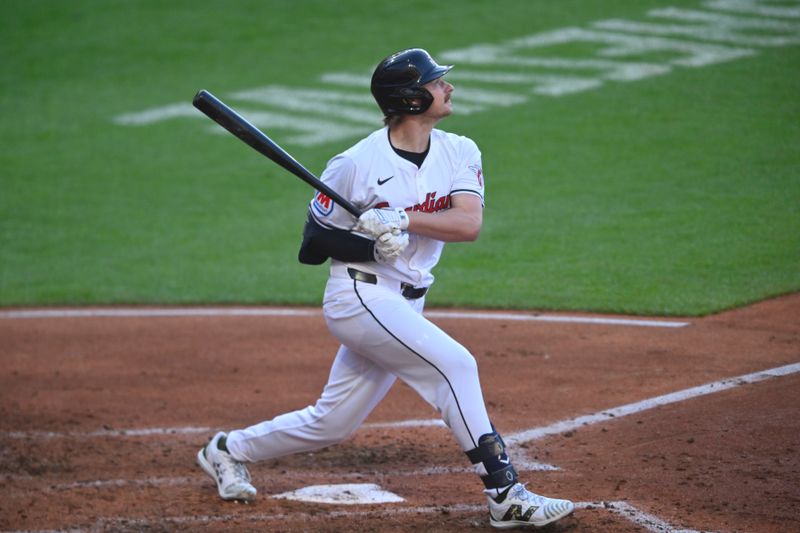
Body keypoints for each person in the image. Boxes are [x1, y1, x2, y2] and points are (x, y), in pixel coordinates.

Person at [197, 48, 574, 529]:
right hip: (358, 296)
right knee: (455, 365)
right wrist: (370, 246)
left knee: (333, 422)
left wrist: (401, 218)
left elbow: (468, 224)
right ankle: (506, 493)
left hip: (406, 302)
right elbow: (312, 245)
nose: (448, 87)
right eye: (438, 83)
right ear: (413, 99)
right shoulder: (353, 164)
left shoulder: (460, 149)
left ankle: (226, 450)